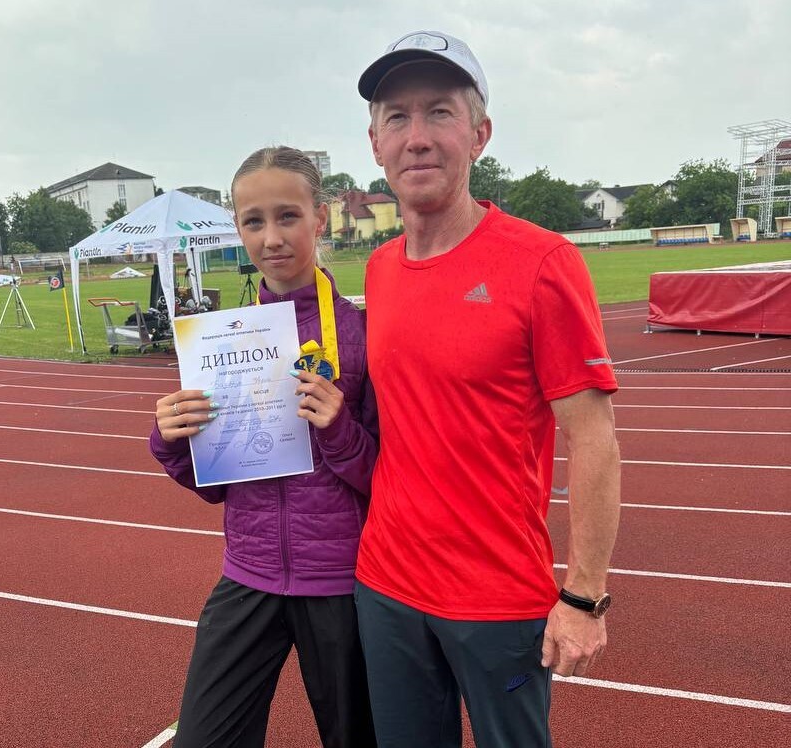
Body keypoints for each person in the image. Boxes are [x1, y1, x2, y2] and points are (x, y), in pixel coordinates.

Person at [352, 31, 622, 747]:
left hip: (498, 597)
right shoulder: (379, 270)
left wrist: (584, 596)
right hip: (385, 585)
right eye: (397, 117)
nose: (417, 136)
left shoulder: (541, 262)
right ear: (375, 143)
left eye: (440, 112)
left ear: (479, 134)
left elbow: (593, 437)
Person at [150, 146, 378, 748]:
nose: (271, 238)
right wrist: (172, 439)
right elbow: (216, 486)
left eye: (288, 216)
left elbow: (390, 478)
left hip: (341, 582)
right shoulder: (221, 341)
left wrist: (339, 429)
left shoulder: (361, 335)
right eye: (254, 221)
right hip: (249, 575)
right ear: (238, 228)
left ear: (320, 218)